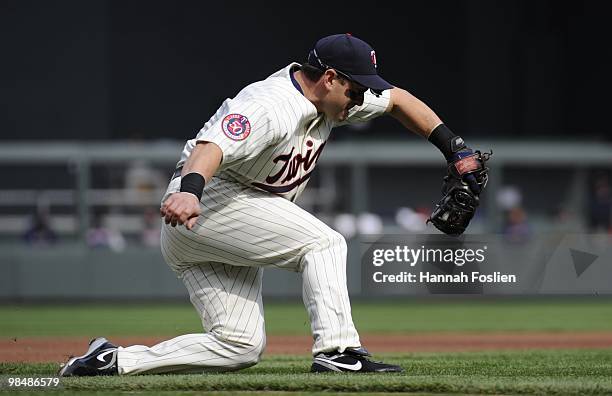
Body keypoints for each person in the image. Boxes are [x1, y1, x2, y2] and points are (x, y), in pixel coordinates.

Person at [59, 33, 484, 376]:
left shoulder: (331, 96)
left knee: (238, 345)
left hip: (221, 220)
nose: (360, 101)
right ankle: (338, 351)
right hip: (210, 201)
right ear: (330, 78)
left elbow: (398, 100)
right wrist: (190, 190)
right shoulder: (270, 105)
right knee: (324, 244)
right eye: (355, 91)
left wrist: (455, 150)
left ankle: (113, 360)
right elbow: (210, 147)